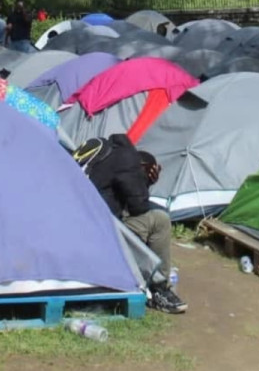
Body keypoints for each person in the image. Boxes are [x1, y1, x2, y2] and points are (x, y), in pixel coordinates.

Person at [78, 134, 187, 314]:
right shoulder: (128, 161)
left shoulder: (100, 149)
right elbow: (139, 207)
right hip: (98, 232)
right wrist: (147, 181)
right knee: (160, 220)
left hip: (77, 221)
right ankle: (160, 289)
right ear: (143, 166)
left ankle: (142, 277)